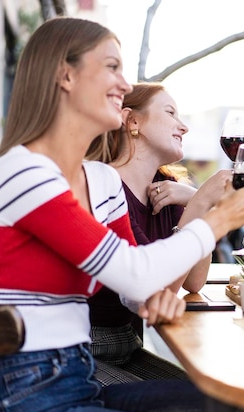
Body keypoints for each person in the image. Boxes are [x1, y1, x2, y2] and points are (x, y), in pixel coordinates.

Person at [0, 16, 244, 412]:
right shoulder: (21, 172)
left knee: (243, 406)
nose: (126, 85)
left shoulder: (101, 180)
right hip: (27, 390)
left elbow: (136, 290)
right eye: (111, 67)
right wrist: (216, 219)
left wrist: (155, 299)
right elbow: (135, 272)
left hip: (77, 380)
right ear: (65, 75)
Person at [85, 82, 230, 385]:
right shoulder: (103, 188)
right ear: (133, 121)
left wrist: (193, 200)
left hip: (130, 345)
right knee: (205, 404)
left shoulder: (166, 190)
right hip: (87, 351)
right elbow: (154, 291)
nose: (184, 126)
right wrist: (201, 200)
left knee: (220, 396)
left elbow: (193, 280)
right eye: (170, 113)